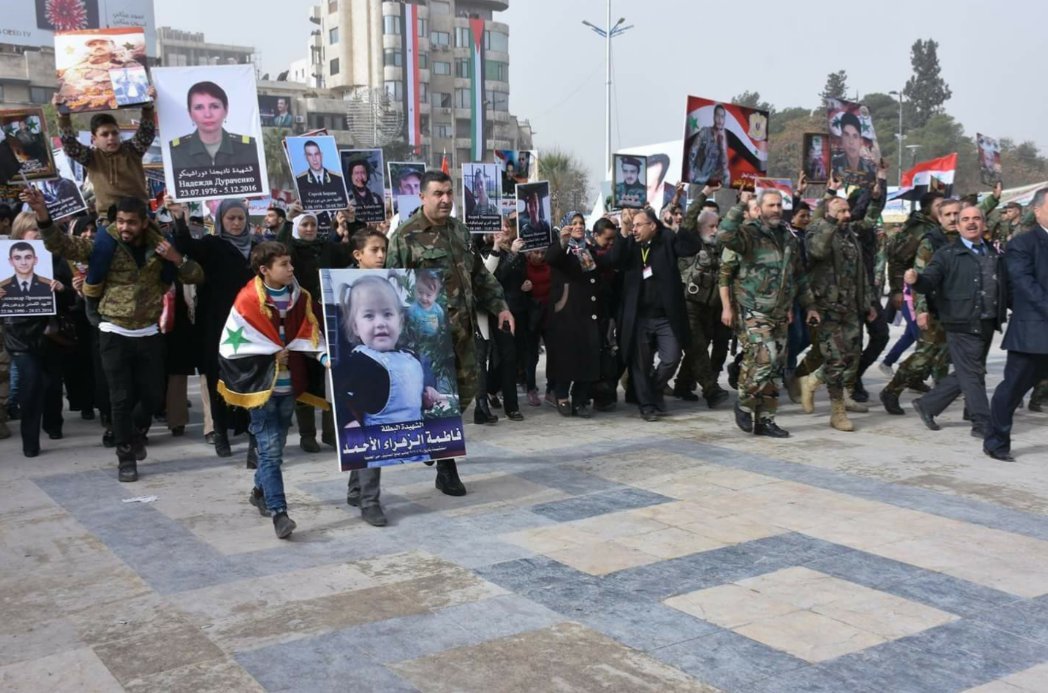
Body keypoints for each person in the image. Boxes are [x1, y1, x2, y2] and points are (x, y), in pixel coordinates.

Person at [28, 188, 203, 481]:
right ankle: (126, 456)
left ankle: (132, 433)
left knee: (152, 396)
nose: (124, 227)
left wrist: (176, 258)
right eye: (120, 221)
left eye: (131, 222)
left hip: (148, 332)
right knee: (119, 399)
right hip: (113, 331)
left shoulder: (160, 247)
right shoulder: (103, 244)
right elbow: (59, 244)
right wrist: (43, 214)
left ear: (144, 222)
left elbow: (195, 275)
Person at [385, 170, 513, 496]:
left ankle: (433, 439)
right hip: (430, 339)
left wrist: (500, 306)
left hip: (464, 332)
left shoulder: (459, 230)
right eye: (438, 194)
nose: (445, 199)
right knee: (444, 403)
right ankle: (446, 467)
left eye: (448, 193)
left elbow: (479, 275)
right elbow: (393, 289)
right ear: (423, 198)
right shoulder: (405, 237)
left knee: (468, 391)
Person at [217, 241, 329, 539]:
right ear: (265, 270)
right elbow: (234, 348)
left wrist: (325, 357)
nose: (291, 269)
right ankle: (280, 512)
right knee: (270, 453)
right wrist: (269, 357)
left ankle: (258, 490)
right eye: (284, 265)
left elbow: (309, 334)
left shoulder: (300, 297)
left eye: (291, 263)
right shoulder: (247, 301)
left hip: (288, 388)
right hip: (262, 389)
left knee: (274, 448)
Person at [719, 190, 817, 437]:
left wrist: (810, 306)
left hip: (780, 312)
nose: (776, 209)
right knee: (767, 358)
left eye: (779, 205)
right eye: (771, 205)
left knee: (775, 368)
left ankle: (765, 419)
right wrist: (740, 205)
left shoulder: (787, 237)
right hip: (754, 309)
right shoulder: (748, 235)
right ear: (760, 208)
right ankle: (743, 402)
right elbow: (724, 234)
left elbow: (799, 275)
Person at [903, 202, 1005, 437]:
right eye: (965, 219)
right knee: (972, 372)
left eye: (976, 218)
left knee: (970, 370)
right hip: (960, 322)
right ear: (958, 227)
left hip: (987, 321)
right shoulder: (947, 254)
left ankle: (928, 404)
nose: (971, 222)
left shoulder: (992, 252)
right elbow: (929, 280)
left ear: (983, 223)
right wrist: (916, 280)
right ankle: (982, 422)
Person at [171, 198, 259, 461]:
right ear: (220, 220)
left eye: (240, 218)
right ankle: (220, 432)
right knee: (217, 379)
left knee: (252, 379)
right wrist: (179, 220)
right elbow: (186, 247)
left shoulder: (257, 248)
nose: (235, 223)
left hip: (251, 325)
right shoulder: (212, 245)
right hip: (217, 324)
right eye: (230, 218)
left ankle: (254, 437)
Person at [796, 171, 885, 431]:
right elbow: (818, 251)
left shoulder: (851, 234)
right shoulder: (817, 230)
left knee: (850, 356)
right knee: (835, 359)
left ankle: (812, 380)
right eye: (841, 211)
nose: (847, 214)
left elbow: (861, 271)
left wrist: (867, 302)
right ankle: (837, 412)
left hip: (851, 306)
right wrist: (831, 212)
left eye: (848, 210)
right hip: (826, 308)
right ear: (829, 213)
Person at [597, 207, 702, 421]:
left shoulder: (666, 239)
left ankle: (653, 389)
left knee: (672, 357)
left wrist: (676, 227)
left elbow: (692, 247)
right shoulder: (630, 244)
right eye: (633, 225)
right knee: (640, 363)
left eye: (638, 225)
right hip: (638, 317)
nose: (635, 229)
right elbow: (613, 259)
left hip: (666, 316)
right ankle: (646, 405)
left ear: (652, 226)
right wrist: (624, 231)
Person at [275, 211, 354, 452]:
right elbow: (280, 247)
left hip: (328, 316)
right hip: (299, 317)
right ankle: (307, 434)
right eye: (305, 224)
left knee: (330, 373)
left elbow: (351, 251)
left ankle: (330, 433)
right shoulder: (291, 251)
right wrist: (288, 221)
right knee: (304, 372)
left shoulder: (327, 247)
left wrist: (346, 224)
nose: (309, 229)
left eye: (313, 224)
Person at [984, 189, 1048, 461]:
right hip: (1034, 332)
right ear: (1037, 210)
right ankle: (996, 440)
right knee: (1012, 390)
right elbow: (1024, 285)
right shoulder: (1024, 243)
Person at [56, 89, 156, 216]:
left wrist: (148, 108)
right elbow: (70, 145)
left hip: (138, 218)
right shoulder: (91, 157)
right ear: (94, 139)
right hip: (108, 220)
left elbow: (147, 132)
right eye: (105, 134)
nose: (111, 137)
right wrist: (63, 116)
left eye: (114, 133)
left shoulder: (132, 150)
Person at [674, 184, 730, 408]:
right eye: (711, 226)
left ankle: (683, 384)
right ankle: (711, 390)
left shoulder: (718, 247)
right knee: (697, 348)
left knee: (700, 348)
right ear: (700, 227)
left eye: (717, 226)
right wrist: (705, 193)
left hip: (711, 306)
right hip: (689, 305)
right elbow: (689, 219)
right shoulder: (690, 241)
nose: (715, 230)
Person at [544, 213, 602, 417]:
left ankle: (580, 399)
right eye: (574, 223)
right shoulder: (562, 248)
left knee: (587, 355)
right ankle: (561, 395)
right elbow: (550, 258)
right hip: (567, 310)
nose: (578, 226)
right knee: (567, 355)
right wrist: (562, 241)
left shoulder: (588, 248)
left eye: (581, 223)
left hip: (587, 310)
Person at [169, 81, 258, 170]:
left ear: (226, 110)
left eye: (214, 106)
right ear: (190, 113)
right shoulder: (175, 152)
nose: (208, 114)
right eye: (199, 107)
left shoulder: (249, 149)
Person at [830, 111, 876, 189]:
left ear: (861, 141)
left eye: (855, 136)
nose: (851, 142)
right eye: (846, 135)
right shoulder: (833, 165)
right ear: (842, 138)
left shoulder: (871, 168)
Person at [687, 103, 730, 186]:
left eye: (722, 117)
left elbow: (724, 166)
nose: (720, 120)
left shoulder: (723, 138)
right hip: (699, 173)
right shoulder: (705, 131)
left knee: (727, 174)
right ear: (714, 116)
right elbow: (693, 150)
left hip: (712, 174)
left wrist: (723, 148)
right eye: (717, 115)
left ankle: (724, 195)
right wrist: (691, 170)